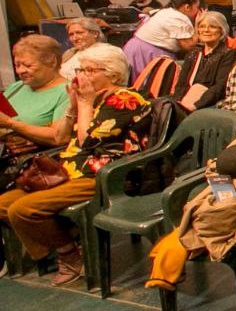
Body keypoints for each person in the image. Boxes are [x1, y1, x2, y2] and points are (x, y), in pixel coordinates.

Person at [0, 44, 150, 286]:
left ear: (112, 74)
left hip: (103, 175)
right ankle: (69, 240)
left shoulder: (125, 99)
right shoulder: (89, 99)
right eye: (81, 69)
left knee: (23, 209)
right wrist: (72, 106)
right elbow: (61, 135)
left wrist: (84, 103)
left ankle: (68, 254)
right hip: (67, 170)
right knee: (4, 204)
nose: (82, 76)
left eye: (90, 70)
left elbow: (87, 142)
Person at [0, 36, 70, 159]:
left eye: (27, 65)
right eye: (17, 65)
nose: (21, 71)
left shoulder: (68, 91)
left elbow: (58, 138)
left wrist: (11, 124)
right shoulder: (18, 86)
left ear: (52, 62)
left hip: (30, 162)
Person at [122, 0, 201, 79]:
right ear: (187, 7)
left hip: (136, 47)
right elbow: (188, 46)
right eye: (197, 7)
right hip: (146, 52)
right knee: (147, 85)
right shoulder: (178, 17)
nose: (198, 11)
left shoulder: (167, 11)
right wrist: (198, 23)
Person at [175, 10, 235, 112]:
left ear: (222, 30)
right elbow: (181, 84)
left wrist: (195, 105)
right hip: (184, 101)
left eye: (212, 26)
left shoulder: (228, 54)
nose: (206, 30)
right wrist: (178, 103)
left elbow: (219, 88)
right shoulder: (193, 53)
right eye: (202, 26)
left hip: (206, 105)